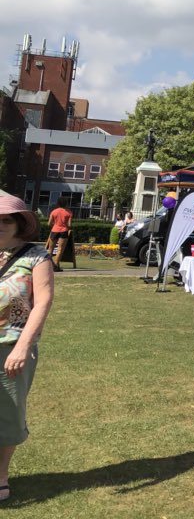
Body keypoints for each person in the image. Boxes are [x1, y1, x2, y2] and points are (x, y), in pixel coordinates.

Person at [0, 191, 55, 502]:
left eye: (6, 220)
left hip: (11, 346)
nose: (0, 225)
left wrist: (23, 346)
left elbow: (43, 301)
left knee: (8, 412)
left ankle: (0, 475)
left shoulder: (36, 255)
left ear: (19, 223)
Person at [45, 197, 72, 273]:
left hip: (54, 230)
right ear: (66, 203)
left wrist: (55, 225)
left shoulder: (54, 211)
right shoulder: (68, 212)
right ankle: (56, 265)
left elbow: (49, 223)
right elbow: (69, 225)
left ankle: (49, 265)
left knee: (50, 249)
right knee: (60, 249)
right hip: (63, 231)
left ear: (58, 203)